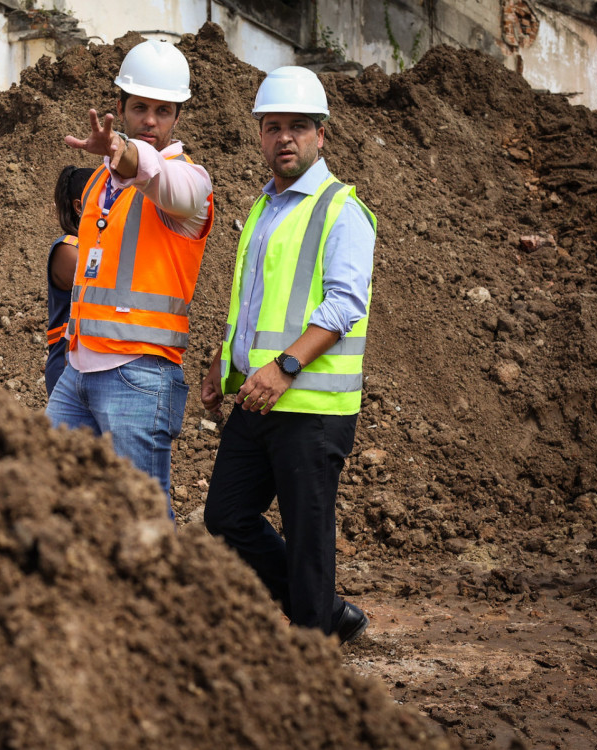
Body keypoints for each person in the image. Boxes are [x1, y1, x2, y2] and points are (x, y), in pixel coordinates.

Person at [200, 66, 377, 644]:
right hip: (258, 397)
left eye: (298, 127)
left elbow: (344, 303)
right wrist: (225, 365)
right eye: (272, 126)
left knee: (308, 536)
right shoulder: (264, 209)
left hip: (310, 405)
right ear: (258, 135)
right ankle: (326, 613)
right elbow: (253, 304)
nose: (284, 138)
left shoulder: (340, 209)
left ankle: (313, 651)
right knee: (226, 515)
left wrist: (286, 366)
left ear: (321, 135)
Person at [46, 39, 215, 515]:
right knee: (42, 494)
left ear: (178, 116)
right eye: (140, 108)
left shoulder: (190, 182)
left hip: (139, 374)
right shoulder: (101, 182)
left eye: (164, 110)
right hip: (78, 369)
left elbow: (165, 183)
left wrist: (121, 151)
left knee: (141, 518)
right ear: (119, 107)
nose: (151, 121)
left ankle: (163, 591)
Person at [44, 165, 96, 396]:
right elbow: (102, 282)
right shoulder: (68, 248)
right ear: (79, 206)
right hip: (67, 368)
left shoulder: (93, 248)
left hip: (90, 366)